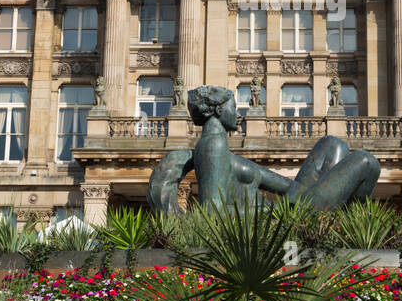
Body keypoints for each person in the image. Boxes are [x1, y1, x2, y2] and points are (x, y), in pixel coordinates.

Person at [147, 85, 379, 213]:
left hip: (290, 206)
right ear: (218, 110)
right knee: (366, 161)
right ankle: (346, 229)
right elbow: (212, 211)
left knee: (333, 143)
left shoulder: (221, 147)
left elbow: (288, 187)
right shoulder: (213, 145)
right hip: (280, 219)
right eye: (234, 107)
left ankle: (335, 218)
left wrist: (313, 189)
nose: (238, 114)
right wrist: (269, 212)